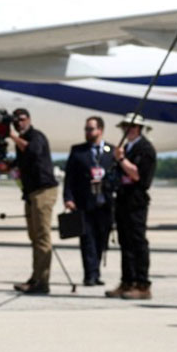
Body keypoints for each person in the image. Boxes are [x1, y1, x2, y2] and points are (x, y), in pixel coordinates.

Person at [62, 115, 116, 288]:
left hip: (105, 203)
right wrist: (68, 198)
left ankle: (96, 272)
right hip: (84, 202)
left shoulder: (111, 151)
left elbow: (116, 177)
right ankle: (89, 275)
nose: (87, 132)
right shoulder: (78, 151)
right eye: (86, 129)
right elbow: (69, 177)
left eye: (90, 129)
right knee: (87, 240)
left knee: (101, 239)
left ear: (100, 130)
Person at [8, 109, 56, 294]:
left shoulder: (36, 136)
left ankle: (42, 282)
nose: (18, 123)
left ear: (29, 119)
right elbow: (20, 162)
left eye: (21, 119)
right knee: (35, 237)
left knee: (42, 237)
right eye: (15, 121)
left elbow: (33, 151)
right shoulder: (21, 140)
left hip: (43, 191)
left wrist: (12, 136)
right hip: (30, 193)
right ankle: (35, 277)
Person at [108, 116, 156, 299]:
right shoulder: (126, 148)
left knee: (138, 242)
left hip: (136, 200)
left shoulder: (145, 148)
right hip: (122, 198)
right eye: (126, 126)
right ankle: (127, 281)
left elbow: (137, 174)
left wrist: (121, 160)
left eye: (133, 126)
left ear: (140, 128)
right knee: (125, 242)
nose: (129, 129)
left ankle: (142, 284)